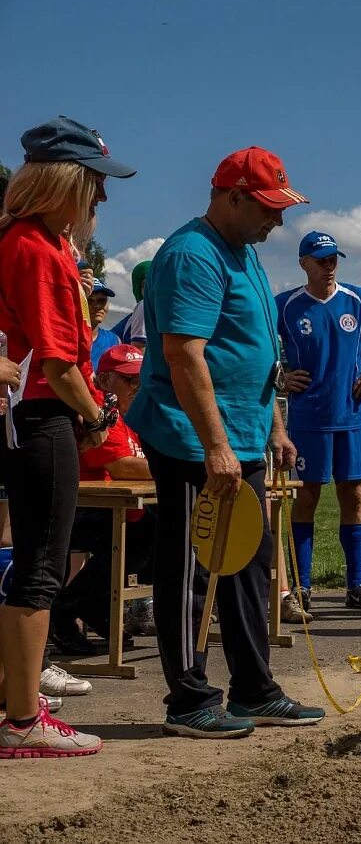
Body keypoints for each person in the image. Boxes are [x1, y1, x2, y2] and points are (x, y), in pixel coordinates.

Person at [127, 145, 324, 738]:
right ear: (232, 196)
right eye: (267, 207)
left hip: (240, 434)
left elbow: (256, 353)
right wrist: (214, 444)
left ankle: (254, 689)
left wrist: (274, 428)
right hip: (193, 439)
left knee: (245, 562)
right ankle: (188, 699)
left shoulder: (243, 252)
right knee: (193, 566)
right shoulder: (192, 255)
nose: (278, 221)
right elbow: (183, 354)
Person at [0, 116, 134, 758]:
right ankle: (22, 720)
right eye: (94, 184)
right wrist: (101, 418)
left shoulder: (41, 244)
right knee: (40, 568)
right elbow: (57, 363)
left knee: (35, 564)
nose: (101, 199)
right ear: (64, 182)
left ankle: (16, 699)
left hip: (35, 417)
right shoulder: (34, 246)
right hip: (41, 417)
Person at [276, 230, 361, 618]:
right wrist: (278, 375)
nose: (330, 267)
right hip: (308, 419)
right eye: (322, 260)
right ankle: (301, 587)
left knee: (354, 496)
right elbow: (253, 343)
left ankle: (356, 585)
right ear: (303, 263)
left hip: (352, 417)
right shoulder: (286, 305)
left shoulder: (356, 300)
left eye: (334, 260)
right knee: (306, 497)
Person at [51, 344, 156, 653]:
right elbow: (122, 466)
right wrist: (177, 469)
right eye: (130, 381)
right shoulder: (101, 412)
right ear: (105, 381)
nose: (138, 388)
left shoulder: (132, 418)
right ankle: (68, 607)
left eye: (140, 380)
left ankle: (92, 606)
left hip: (115, 508)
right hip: (79, 508)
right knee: (145, 530)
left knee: (154, 526)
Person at [109, 260, 150, 347]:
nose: (152, 288)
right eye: (145, 284)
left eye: (156, 282)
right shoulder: (143, 307)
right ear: (137, 288)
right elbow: (139, 352)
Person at [87, 277, 122, 370]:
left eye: (102, 300)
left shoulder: (114, 341)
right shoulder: (66, 338)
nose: (97, 306)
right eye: (90, 301)